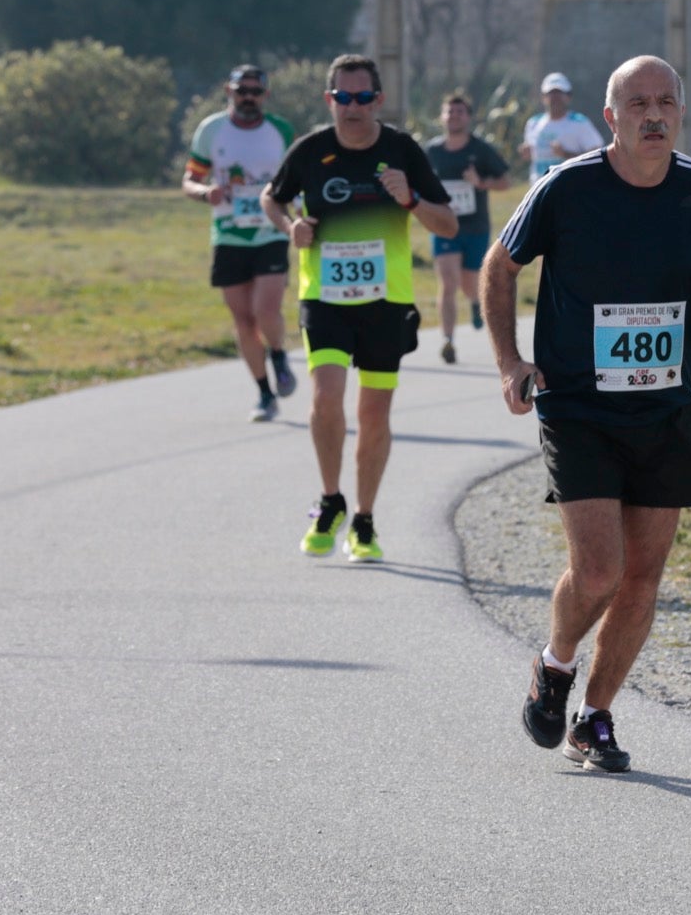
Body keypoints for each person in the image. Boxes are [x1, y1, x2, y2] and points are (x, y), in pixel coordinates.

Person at [485, 55, 691, 776]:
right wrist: (511, 362)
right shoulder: (567, 188)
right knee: (600, 570)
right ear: (611, 117)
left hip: (663, 407)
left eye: (666, 102)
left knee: (643, 577)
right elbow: (499, 266)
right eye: (638, 104)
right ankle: (555, 664)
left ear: (681, 113)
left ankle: (594, 717)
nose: (653, 115)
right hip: (578, 404)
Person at [259, 54, 457, 562]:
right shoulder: (310, 151)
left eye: (363, 97)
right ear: (329, 100)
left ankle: (364, 520)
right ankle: (331, 501)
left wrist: (410, 199)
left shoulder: (402, 150)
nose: (353, 107)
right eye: (343, 97)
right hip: (324, 298)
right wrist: (290, 229)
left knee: (373, 413)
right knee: (326, 396)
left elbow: (448, 225)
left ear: (378, 100)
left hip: (385, 303)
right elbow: (272, 198)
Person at [182, 64, 298, 422]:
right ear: (228, 91)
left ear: (265, 95)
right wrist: (206, 193)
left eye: (255, 91)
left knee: (266, 311)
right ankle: (264, 393)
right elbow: (190, 178)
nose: (248, 97)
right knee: (244, 321)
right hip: (229, 235)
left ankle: (277, 354)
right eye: (241, 90)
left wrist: (298, 217)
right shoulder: (211, 130)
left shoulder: (280, 130)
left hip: (270, 231)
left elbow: (295, 180)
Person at [425, 91, 511, 364]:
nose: (454, 116)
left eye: (460, 112)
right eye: (450, 112)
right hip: (443, 226)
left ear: (468, 117)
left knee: (468, 283)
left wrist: (481, 182)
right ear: (442, 116)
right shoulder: (432, 151)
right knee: (448, 282)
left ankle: (475, 303)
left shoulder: (480, 149)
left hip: (474, 227)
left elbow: (505, 181)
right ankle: (448, 341)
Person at [519, 72, 605, 184]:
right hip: (539, 190)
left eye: (559, 93)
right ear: (543, 98)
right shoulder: (533, 123)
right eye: (551, 93)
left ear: (568, 97)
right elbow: (530, 155)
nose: (555, 98)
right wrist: (525, 153)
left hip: (571, 190)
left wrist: (565, 154)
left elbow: (597, 159)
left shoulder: (580, 123)